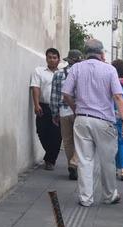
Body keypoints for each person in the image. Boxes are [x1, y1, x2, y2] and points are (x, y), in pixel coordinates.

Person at [62, 39, 123, 207]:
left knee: (84, 160)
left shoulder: (76, 68)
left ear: (86, 53)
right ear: (102, 53)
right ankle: (109, 195)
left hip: (82, 119)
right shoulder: (110, 70)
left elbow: (66, 94)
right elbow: (118, 96)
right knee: (107, 160)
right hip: (104, 121)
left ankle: (86, 198)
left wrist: (76, 108)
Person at [50, 49, 83, 180]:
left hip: (64, 111)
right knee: (81, 139)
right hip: (79, 111)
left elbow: (54, 95)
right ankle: (75, 163)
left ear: (68, 60)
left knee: (68, 140)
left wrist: (54, 113)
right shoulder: (83, 73)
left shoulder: (58, 74)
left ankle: (71, 165)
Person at [30, 48, 64, 170]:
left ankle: (50, 160)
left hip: (58, 107)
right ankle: (50, 155)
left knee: (57, 135)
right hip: (43, 106)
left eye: (54, 57)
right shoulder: (39, 71)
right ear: (46, 59)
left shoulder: (62, 73)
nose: (52, 60)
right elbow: (35, 87)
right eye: (49, 57)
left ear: (58, 60)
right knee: (41, 131)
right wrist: (36, 104)